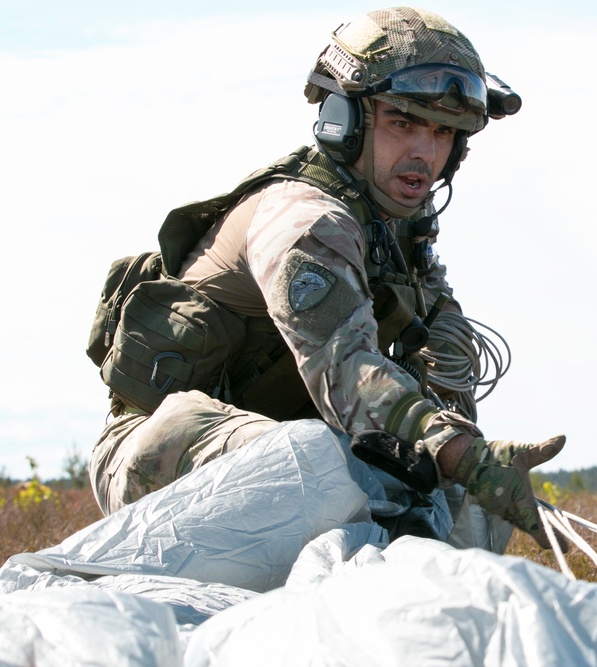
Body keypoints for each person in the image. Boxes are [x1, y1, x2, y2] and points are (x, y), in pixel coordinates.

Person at [88, 7, 564, 551]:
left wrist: (463, 462)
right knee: (311, 466)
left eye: (443, 133)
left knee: (456, 499)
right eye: (402, 123)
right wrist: (461, 454)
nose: (425, 154)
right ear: (347, 120)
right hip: (162, 451)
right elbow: (347, 368)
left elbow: (445, 359)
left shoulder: (402, 235)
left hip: (300, 452)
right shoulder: (306, 220)